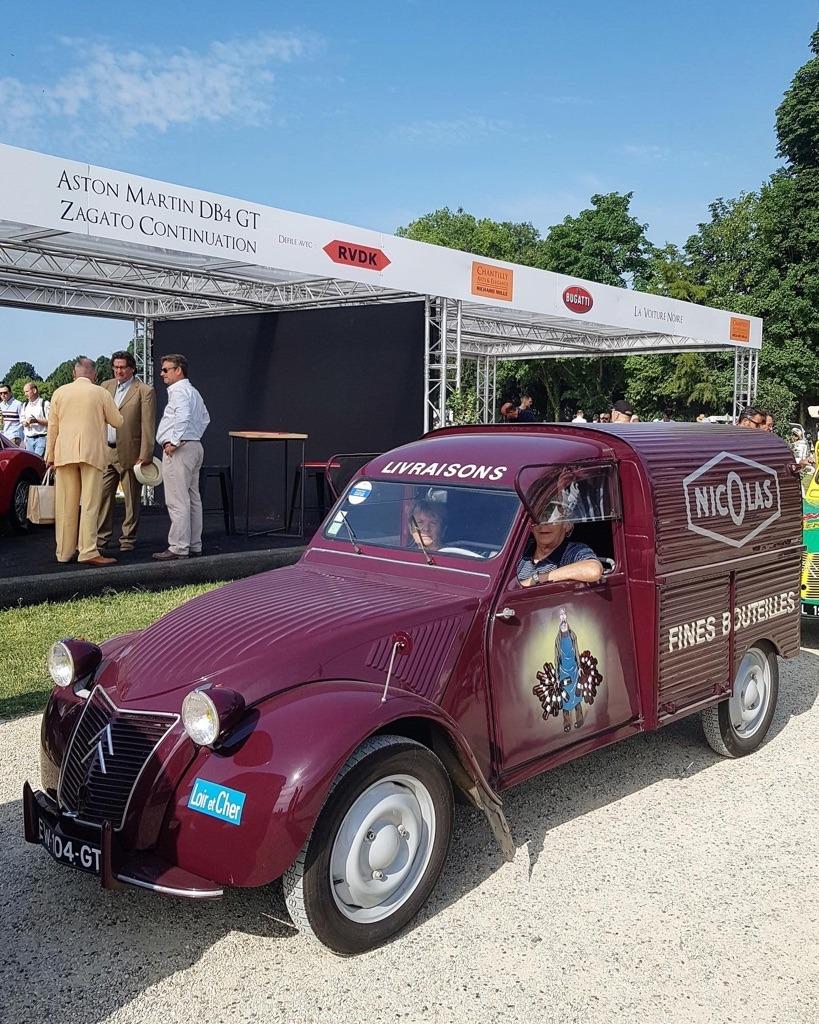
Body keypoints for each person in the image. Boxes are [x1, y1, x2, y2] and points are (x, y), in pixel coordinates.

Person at [45, 357, 123, 566]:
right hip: (92, 453)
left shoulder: (59, 393)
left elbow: (52, 427)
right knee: (90, 503)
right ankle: (88, 551)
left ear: (74, 374)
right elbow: (118, 421)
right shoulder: (101, 392)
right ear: (94, 375)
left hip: (64, 453)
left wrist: (50, 456)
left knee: (65, 504)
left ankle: (63, 552)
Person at [97, 351, 157, 553]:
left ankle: (128, 539)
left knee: (131, 499)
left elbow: (148, 425)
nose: (118, 371)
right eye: (115, 366)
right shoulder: (105, 387)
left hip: (131, 453)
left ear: (132, 368)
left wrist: (146, 454)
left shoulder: (144, 390)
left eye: (122, 367)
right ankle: (101, 539)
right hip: (106, 451)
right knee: (103, 497)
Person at [153, 353, 210, 560]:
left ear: (178, 370)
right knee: (193, 498)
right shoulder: (193, 391)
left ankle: (178, 546)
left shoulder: (178, 391)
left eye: (166, 370)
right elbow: (205, 418)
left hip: (180, 450)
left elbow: (184, 415)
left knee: (178, 499)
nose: (162, 374)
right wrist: (192, 436)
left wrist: (175, 442)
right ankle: (194, 543)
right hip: (194, 446)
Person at [517, 509, 603, 586]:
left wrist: (537, 579)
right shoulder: (521, 548)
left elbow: (593, 570)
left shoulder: (572, 551)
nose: (543, 524)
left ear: (567, 525)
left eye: (552, 519)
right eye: (538, 519)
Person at [21, 381, 50, 456]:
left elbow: (51, 422)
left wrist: (36, 421)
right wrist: (25, 423)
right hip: (28, 439)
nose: (25, 394)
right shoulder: (25, 405)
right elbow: (22, 420)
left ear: (34, 390)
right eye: (24, 392)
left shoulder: (45, 404)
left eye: (27, 391)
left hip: (41, 438)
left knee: (38, 462)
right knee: (30, 463)